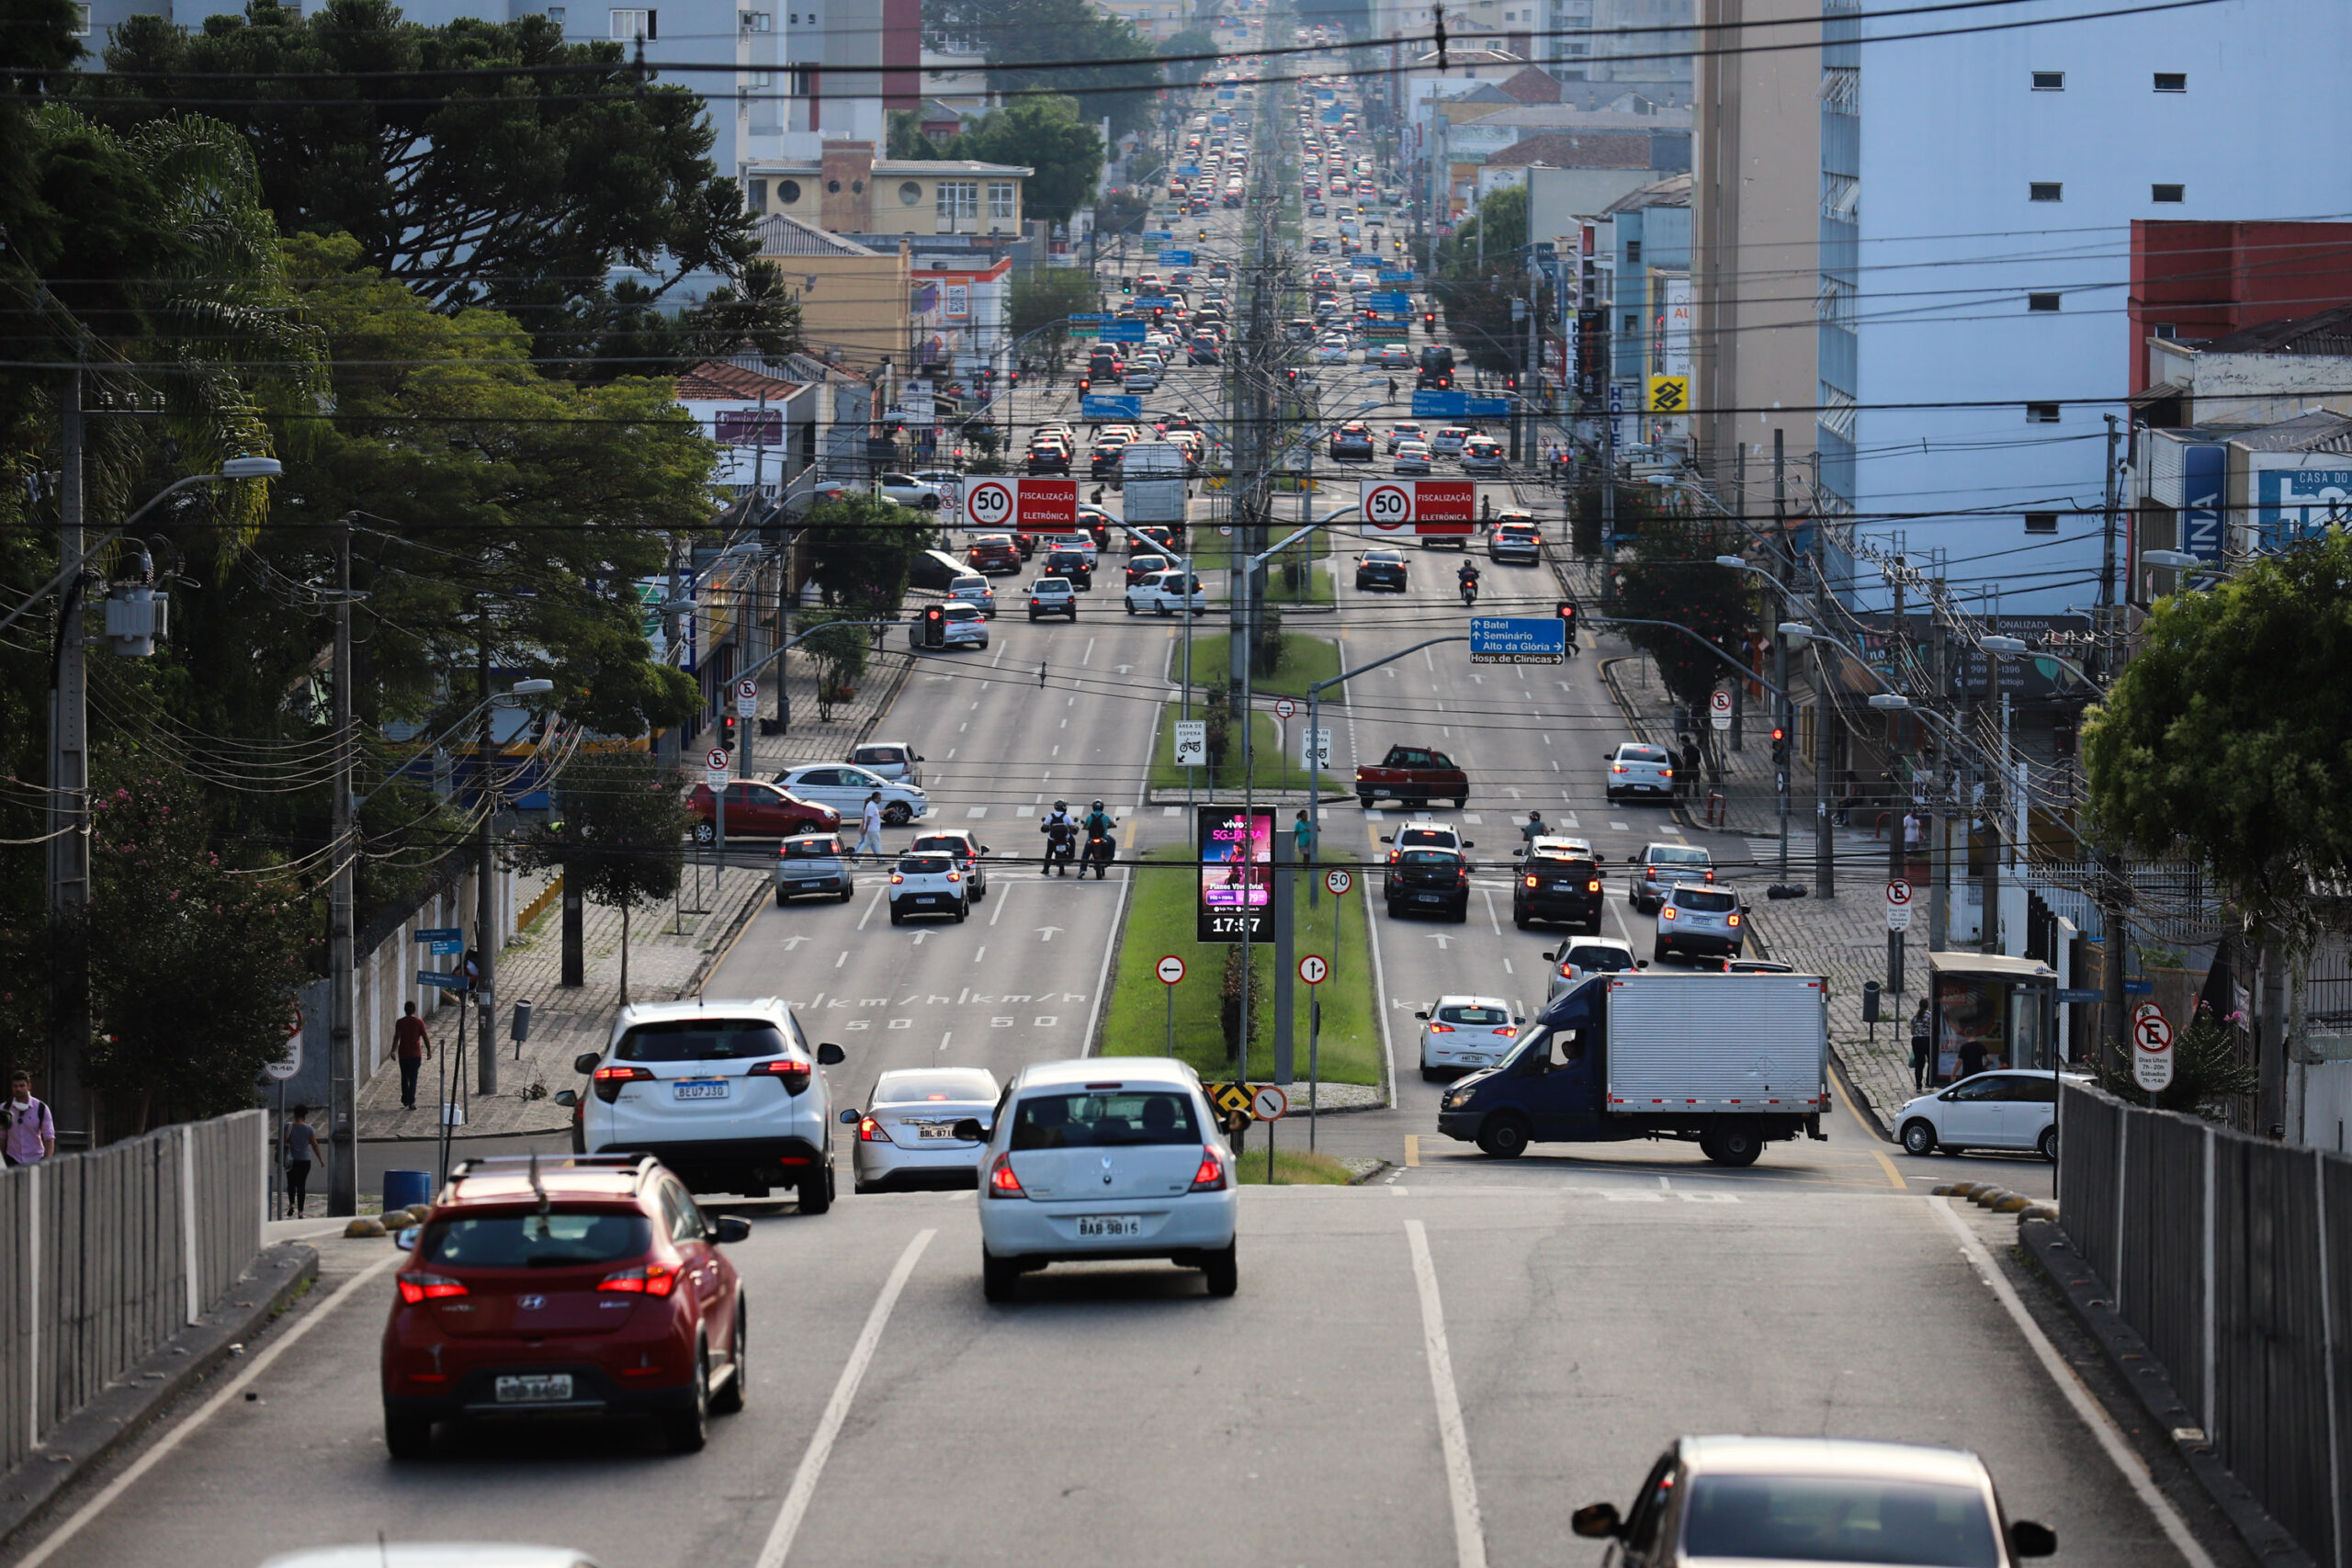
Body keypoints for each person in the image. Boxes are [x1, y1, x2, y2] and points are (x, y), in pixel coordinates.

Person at [4, 1071, 55, 1166]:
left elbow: (49, 1137)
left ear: (28, 1086)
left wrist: (47, 1162)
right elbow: (1, 1136)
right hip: (12, 1159)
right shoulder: (5, 1109)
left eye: (22, 1086)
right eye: (15, 1086)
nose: (18, 1089)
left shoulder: (41, 1108)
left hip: (36, 1159)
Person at [393, 999, 432, 1111]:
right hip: (415, 1054)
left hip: (403, 1054)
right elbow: (425, 1037)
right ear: (414, 1010)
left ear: (405, 1010)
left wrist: (393, 1050)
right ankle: (411, 1101)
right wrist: (429, 1050)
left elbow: (397, 1037)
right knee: (413, 1077)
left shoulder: (400, 1022)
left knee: (405, 1077)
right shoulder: (419, 1022)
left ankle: (405, 1099)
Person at [283, 1105, 320, 1217]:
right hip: (305, 1160)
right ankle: (301, 1212)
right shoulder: (309, 1129)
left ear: (295, 1115)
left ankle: (292, 1204)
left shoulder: (288, 1127)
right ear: (305, 1116)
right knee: (301, 1185)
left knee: (291, 1182)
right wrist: (321, 1159)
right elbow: (315, 1145)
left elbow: (284, 1142)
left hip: (291, 1160)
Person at [1040, 798, 1078, 875]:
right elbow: (1072, 827)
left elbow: (1044, 826)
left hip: (1052, 838)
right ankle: (1071, 857)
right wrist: (1075, 829)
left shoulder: (1050, 816)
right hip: (1065, 837)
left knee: (1049, 852)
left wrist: (1046, 828)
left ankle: (1046, 869)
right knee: (1072, 841)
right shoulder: (1067, 816)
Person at [1910, 999, 1934, 1091]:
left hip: (1916, 1040)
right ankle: (1929, 1081)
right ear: (1927, 1006)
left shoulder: (1915, 1016)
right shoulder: (1929, 1016)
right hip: (1927, 1040)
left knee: (1919, 1063)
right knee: (1931, 1061)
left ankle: (1918, 1086)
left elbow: (1912, 1031)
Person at [854, 791, 885, 859]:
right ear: (875, 798)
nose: (880, 800)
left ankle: (856, 857)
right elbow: (868, 819)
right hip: (873, 829)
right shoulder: (871, 806)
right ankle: (881, 858)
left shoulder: (872, 805)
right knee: (877, 843)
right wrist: (865, 829)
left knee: (865, 843)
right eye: (879, 798)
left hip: (871, 829)